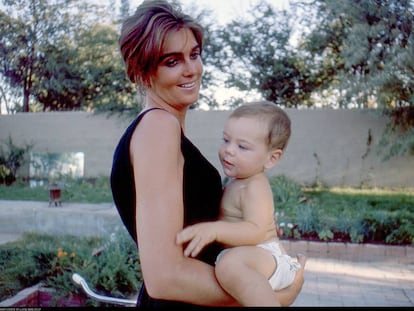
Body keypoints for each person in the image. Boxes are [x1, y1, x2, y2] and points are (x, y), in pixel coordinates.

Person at [110, 0, 304, 307]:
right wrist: (273, 298)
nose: (191, 69)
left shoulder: (165, 128)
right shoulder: (158, 128)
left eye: (194, 54)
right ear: (143, 70)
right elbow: (165, 277)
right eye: (171, 61)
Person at [176, 102, 307, 306]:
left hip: (266, 256)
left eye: (242, 146)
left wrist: (215, 230)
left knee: (228, 266)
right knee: (228, 266)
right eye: (226, 140)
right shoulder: (238, 181)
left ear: (271, 158)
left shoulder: (255, 186)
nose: (229, 150)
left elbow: (255, 231)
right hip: (251, 259)